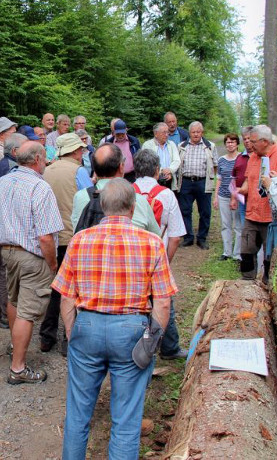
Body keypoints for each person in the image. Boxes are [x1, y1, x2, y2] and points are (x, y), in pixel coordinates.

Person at [53, 178, 177, 460]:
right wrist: (152, 341)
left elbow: (66, 296)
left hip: (87, 325)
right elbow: (163, 301)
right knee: (126, 419)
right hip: (131, 328)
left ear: (102, 207)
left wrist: (73, 332)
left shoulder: (80, 239)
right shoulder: (151, 242)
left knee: (78, 413)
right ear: (133, 208)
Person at [0, 141, 63, 384]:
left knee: (14, 299)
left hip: (7, 252)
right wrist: (52, 264)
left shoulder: (3, 181)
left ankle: (15, 346)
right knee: (27, 311)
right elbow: (45, 236)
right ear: (36, 160)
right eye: (44, 159)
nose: (46, 163)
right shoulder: (40, 187)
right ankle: (18, 368)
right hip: (32, 256)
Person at [40, 133, 98, 355]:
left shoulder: (47, 170)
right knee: (72, 290)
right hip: (70, 236)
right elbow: (89, 198)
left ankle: (47, 335)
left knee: (55, 287)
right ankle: (68, 337)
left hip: (51, 236)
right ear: (74, 151)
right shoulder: (79, 171)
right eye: (81, 149)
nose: (83, 152)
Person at [132, 149, 187, 360]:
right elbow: (175, 236)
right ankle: (169, 347)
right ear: (157, 170)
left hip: (129, 258)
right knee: (164, 303)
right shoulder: (166, 195)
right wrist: (166, 261)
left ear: (135, 170)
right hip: (156, 257)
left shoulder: (126, 192)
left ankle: (137, 346)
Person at [0, 133, 27, 328]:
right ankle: (3, 313)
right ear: (15, 151)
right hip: (4, 224)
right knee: (3, 269)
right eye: (25, 148)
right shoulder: (11, 169)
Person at [71, 144, 161, 236]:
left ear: (95, 171)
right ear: (121, 167)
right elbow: (156, 235)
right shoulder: (138, 199)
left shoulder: (80, 197)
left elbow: (76, 229)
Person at [238, 125, 277, 281]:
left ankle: (268, 285)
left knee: (270, 255)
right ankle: (246, 282)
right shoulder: (253, 157)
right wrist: (239, 190)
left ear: (264, 141)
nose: (250, 144)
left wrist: (275, 180)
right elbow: (248, 182)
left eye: (254, 141)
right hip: (252, 214)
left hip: (271, 218)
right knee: (246, 251)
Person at [174, 121, 216, 249]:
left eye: (198, 132)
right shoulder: (181, 146)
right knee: (185, 210)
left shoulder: (210, 146)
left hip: (202, 182)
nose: (196, 134)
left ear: (202, 132)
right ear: (189, 133)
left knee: (205, 211)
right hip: (186, 181)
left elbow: (215, 165)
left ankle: (202, 238)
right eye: (193, 132)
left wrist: (212, 179)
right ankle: (188, 237)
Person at [213, 133, 242, 261]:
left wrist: (235, 196)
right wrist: (216, 197)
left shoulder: (241, 158)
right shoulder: (221, 160)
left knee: (238, 225)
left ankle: (237, 253)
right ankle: (227, 252)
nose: (230, 144)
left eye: (232, 142)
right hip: (223, 195)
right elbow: (219, 179)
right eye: (228, 142)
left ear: (237, 144)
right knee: (226, 224)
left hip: (237, 196)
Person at [141, 122, 181, 189]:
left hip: (169, 179)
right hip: (153, 180)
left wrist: (170, 170)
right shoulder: (147, 145)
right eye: (164, 132)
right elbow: (147, 163)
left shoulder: (171, 144)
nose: (166, 135)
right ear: (156, 134)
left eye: (167, 132)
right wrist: (161, 171)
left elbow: (177, 160)